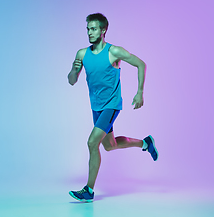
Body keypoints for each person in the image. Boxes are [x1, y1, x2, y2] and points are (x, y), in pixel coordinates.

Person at [67, 13, 158, 203]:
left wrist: (140, 92)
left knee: (92, 143)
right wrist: (74, 69)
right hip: (96, 107)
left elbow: (141, 64)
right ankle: (145, 143)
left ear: (103, 30)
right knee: (109, 146)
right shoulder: (82, 54)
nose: (90, 33)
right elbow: (72, 81)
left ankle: (89, 190)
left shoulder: (114, 52)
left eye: (93, 29)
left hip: (112, 105)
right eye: (88, 29)